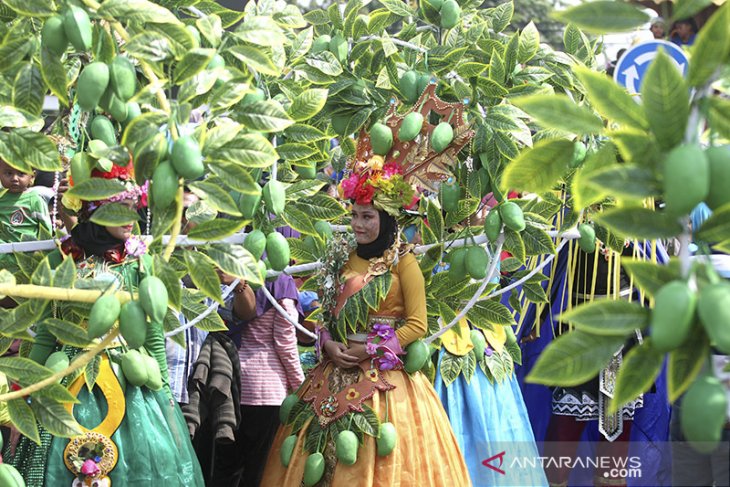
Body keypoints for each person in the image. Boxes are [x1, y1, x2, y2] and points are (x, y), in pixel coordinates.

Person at [259, 141, 471, 485]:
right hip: (331, 371)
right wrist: (327, 343)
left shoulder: (405, 263)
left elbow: (417, 324)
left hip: (386, 384)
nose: (357, 224)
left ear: (386, 218)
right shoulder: (343, 259)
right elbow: (326, 315)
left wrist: (370, 349)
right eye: (354, 215)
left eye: (367, 217)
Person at [7, 160, 205, 486]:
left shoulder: (140, 260)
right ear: (97, 210)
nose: (133, 219)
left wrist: (165, 395)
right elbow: (46, 333)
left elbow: (152, 334)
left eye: (134, 208)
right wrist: (24, 395)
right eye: (122, 209)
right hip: (67, 381)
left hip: (132, 387)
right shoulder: (62, 258)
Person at [210, 273, 305, 487]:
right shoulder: (281, 284)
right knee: (257, 470)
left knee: (227, 468)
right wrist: (302, 387)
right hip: (266, 391)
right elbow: (285, 344)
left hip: (231, 383)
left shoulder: (236, 278)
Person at [0, 159, 52, 247]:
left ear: (32, 176)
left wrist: (44, 249)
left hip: (27, 253)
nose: (14, 178)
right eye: (9, 173)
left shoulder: (35, 200)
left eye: (21, 173)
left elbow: (46, 228)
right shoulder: (1, 197)